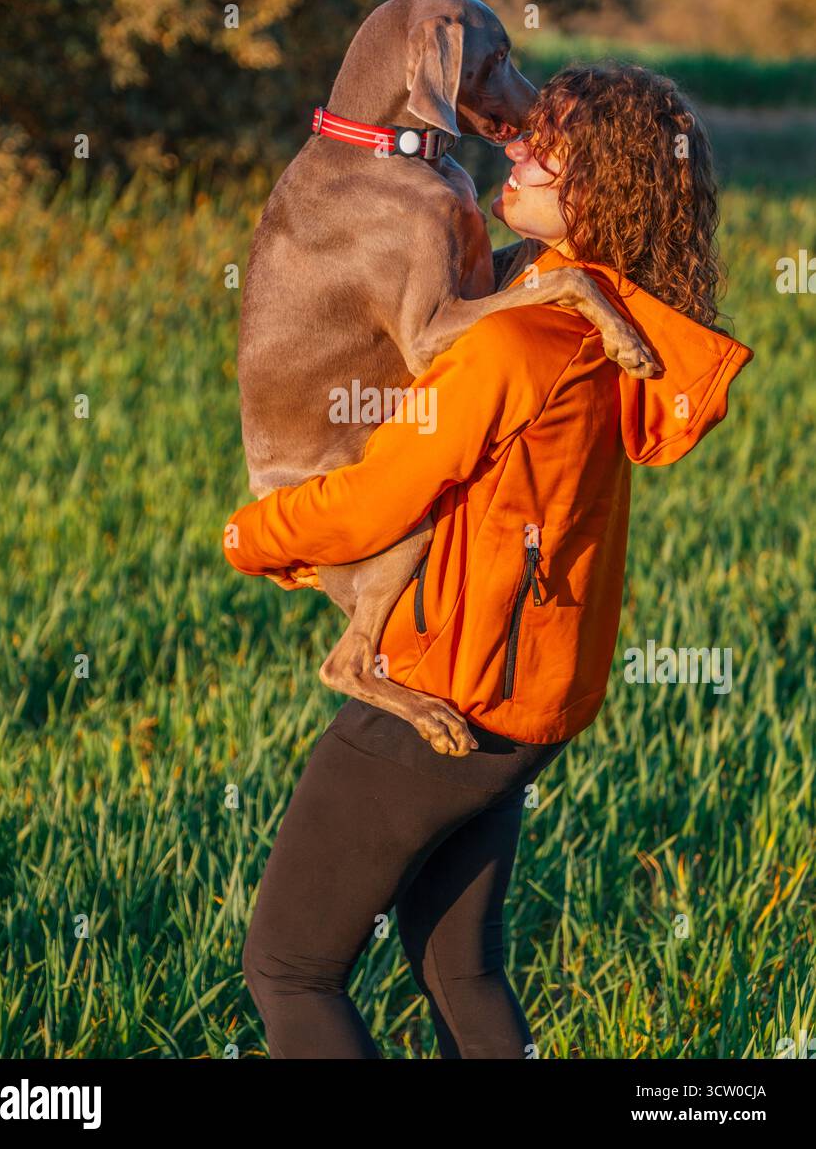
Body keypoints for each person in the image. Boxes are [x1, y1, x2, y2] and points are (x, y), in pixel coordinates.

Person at [223, 64, 753, 1059]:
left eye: (548, 147)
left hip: (441, 689)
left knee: (289, 969)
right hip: (525, 701)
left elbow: (379, 499)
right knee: (459, 968)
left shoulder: (513, 346)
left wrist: (249, 535)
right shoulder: (598, 320)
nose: (516, 146)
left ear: (601, 186)